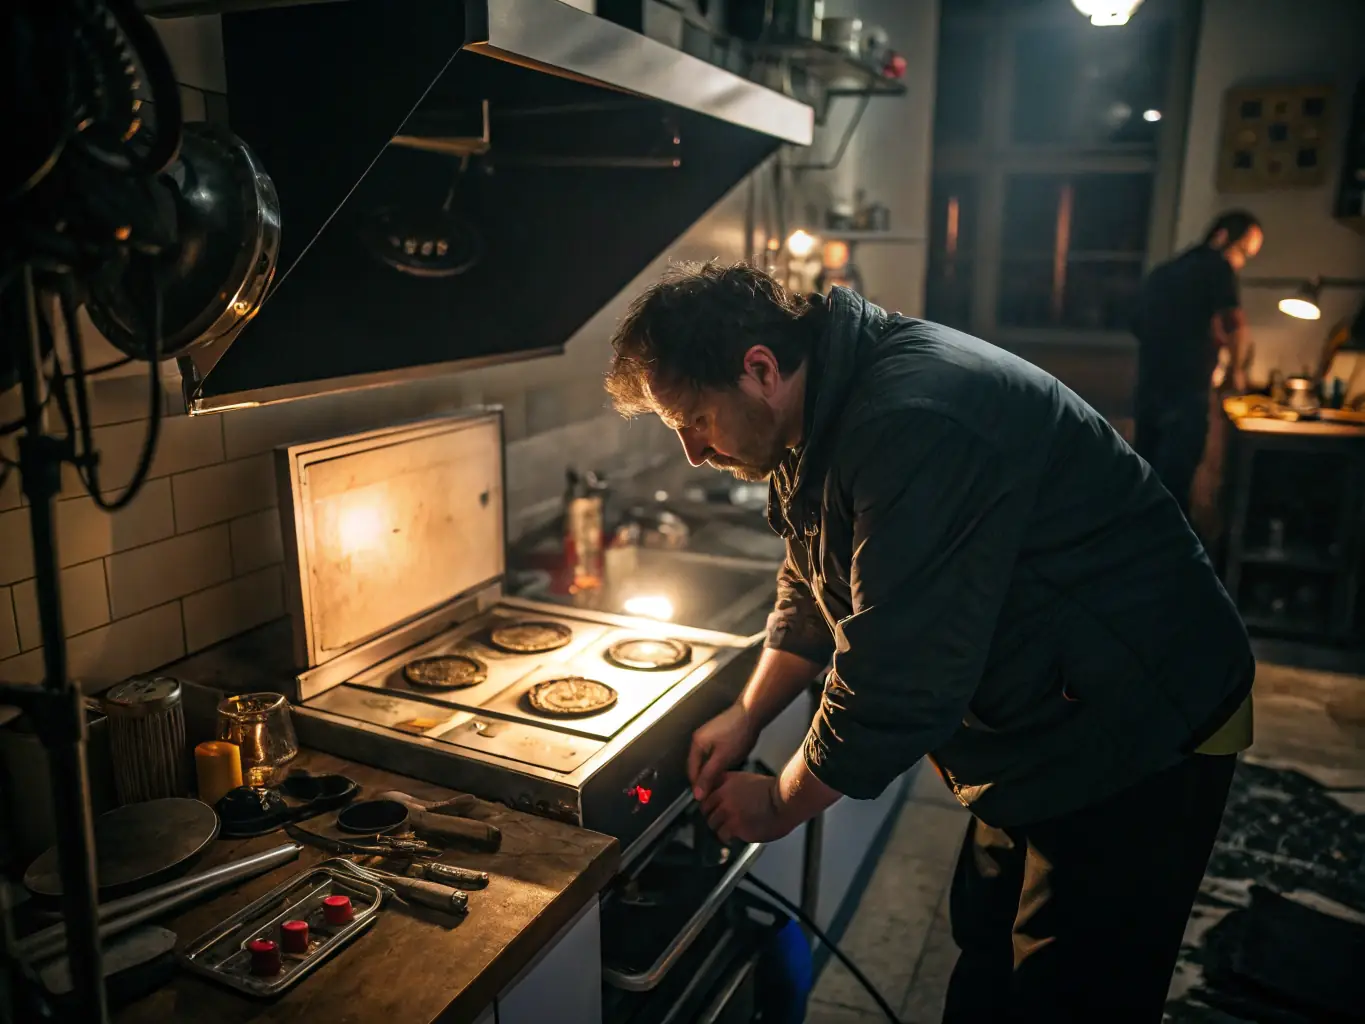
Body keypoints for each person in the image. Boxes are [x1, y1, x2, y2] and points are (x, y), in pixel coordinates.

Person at [603, 261, 1255, 1022]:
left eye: (694, 420)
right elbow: (811, 581)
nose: (692, 451)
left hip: (1141, 723)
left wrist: (777, 804)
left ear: (759, 370)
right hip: (1043, 720)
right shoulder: (821, 409)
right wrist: (747, 715)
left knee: (1072, 994)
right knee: (986, 951)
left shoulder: (911, 419)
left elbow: (897, 682)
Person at [1132, 210, 1263, 518]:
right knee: (1175, 488)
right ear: (1221, 237)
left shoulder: (1164, 272)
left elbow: (1137, 324)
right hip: (1188, 390)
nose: (1241, 263)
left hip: (1149, 388)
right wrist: (1236, 372)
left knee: (1145, 480)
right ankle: (1171, 558)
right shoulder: (1217, 266)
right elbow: (1234, 323)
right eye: (1243, 252)